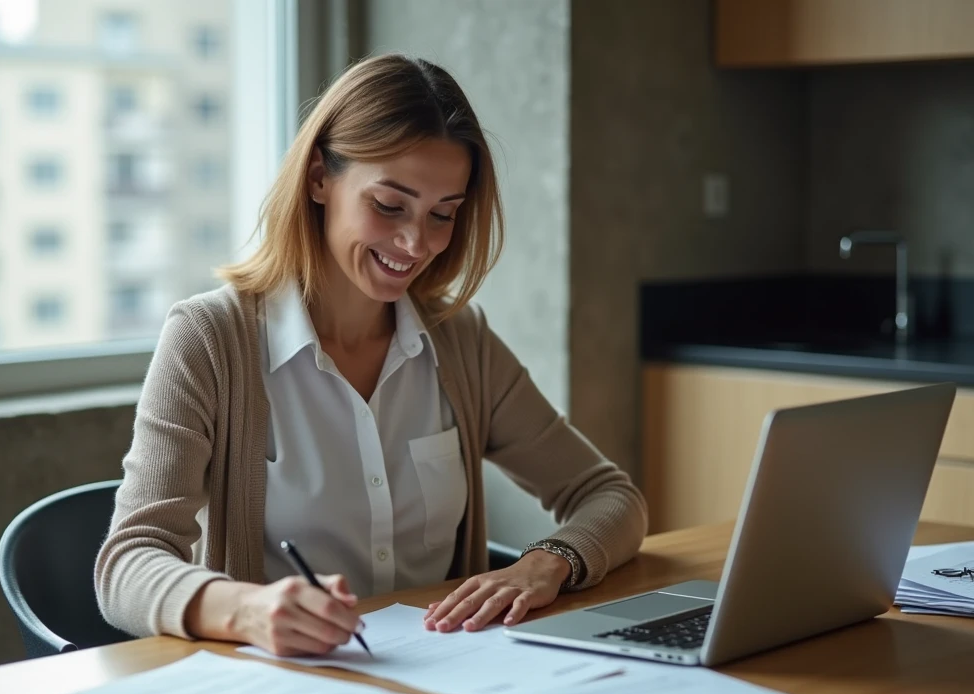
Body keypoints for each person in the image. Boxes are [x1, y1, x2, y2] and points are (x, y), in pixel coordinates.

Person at [94, 53, 648, 656]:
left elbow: (612, 498)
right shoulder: (209, 340)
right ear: (318, 179)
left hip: (452, 682)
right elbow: (127, 562)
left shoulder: (462, 344)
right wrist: (247, 609)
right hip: (284, 691)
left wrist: (547, 563)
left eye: (443, 214)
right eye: (389, 205)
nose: (417, 243)